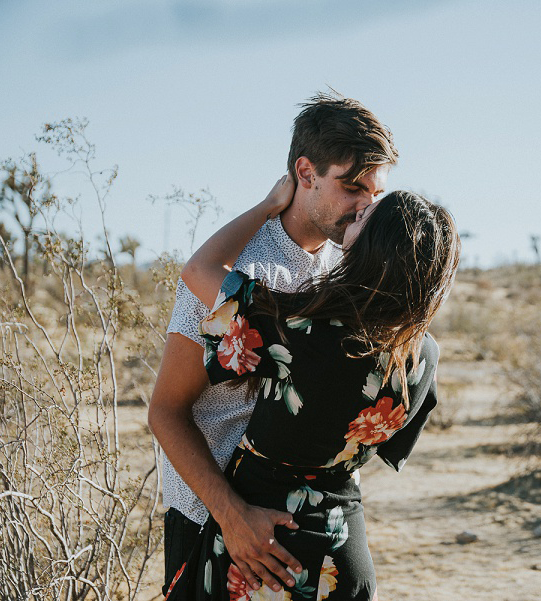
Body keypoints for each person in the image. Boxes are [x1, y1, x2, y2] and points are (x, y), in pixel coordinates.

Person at [148, 93, 398, 596]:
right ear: (305, 173)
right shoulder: (239, 269)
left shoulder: (345, 269)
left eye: (374, 194)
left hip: (296, 524)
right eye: (352, 188)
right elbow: (166, 412)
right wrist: (232, 515)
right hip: (212, 516)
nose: (364, 207)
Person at [163, 183, 460, 600]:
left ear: (375, 247)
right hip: (345, 558)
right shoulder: (425, 355)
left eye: (362, 219)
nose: (356, 212)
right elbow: (386, 446)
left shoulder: (299, 329)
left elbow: (200, 269)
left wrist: (267, 206)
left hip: (265, 551)